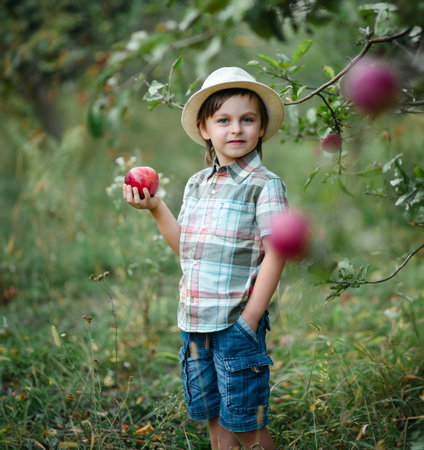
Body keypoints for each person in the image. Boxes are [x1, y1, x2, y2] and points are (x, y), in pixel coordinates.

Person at [123, 66, 288, 450]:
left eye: (247, 120)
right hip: (195, 323)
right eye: (224, 120)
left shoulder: (265, 185)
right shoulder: (198, 184)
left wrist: (249, 320)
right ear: (204, 128)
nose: (236, 129)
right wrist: (155, 207)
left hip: (235, 323)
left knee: (248, 421)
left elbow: (277, 254)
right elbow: (188, 248)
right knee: (214, 415)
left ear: (261, 128)